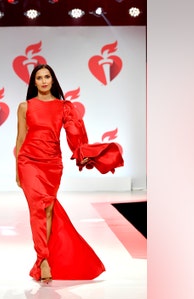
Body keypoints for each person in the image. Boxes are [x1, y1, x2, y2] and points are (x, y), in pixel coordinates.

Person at [15, 64, 124, 284]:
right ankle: (43, 260)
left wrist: (82, 152)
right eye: (39, 78)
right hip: (28, 162)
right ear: (33, 82)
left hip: (52, 164)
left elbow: (74, 132)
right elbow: (19, 139)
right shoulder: (25, 106)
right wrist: (17, 169)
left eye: (47, 77)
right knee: (37, 208)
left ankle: (42, 259)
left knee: (47, 211)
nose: (44, 81)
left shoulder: (64, 107)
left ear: (53, 80)